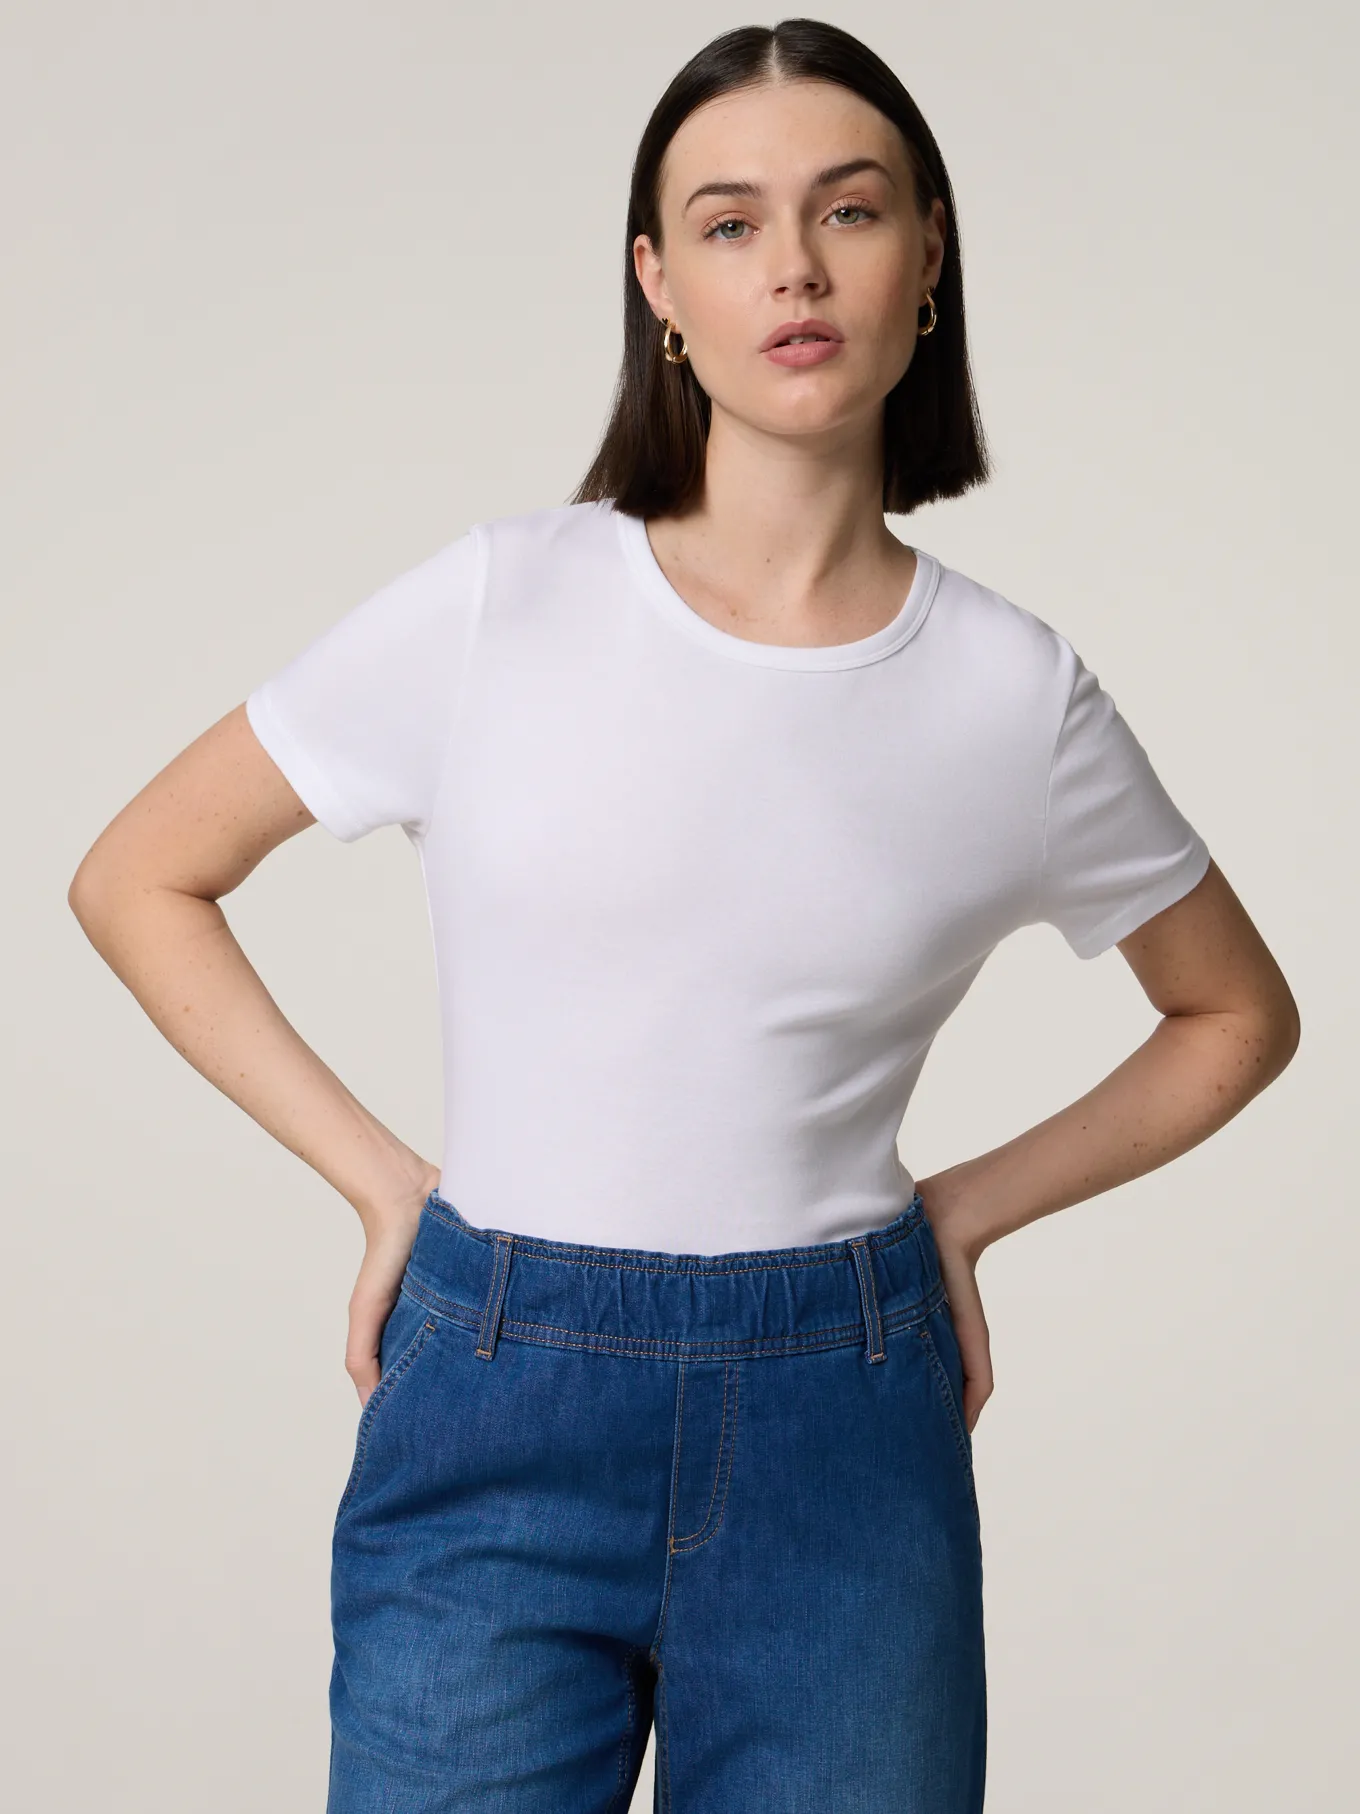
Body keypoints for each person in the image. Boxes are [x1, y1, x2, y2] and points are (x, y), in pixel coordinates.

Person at [68, 18, 1299, 1813]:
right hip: (494, 1390)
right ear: (658, 284)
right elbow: (138, 875)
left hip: (842, 1424)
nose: (794, 266)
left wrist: (961, 1214)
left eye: (848, 211)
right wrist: (383, 1181)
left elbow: (1237, 1015)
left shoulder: (1011, 695)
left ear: (929, 255)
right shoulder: (500, 604)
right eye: (730, 224)